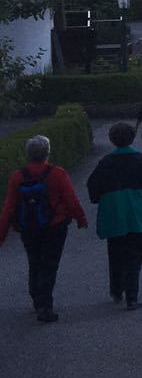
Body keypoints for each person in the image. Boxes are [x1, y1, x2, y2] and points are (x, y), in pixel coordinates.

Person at [0, 135, 89, 322]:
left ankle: (36, 297)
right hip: (55, 225)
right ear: (47, 152)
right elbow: (71, 199)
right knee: (49, 264)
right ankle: (45, 306)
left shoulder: (18, 176)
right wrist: (80, 218)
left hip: (28, 227)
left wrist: (2, 233)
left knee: (34, 261)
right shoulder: (57, 173)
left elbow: (9, 206)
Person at [86, 122, 142, 311]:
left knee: (115, 251)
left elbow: (93, 187)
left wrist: (100, 198)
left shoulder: (106, 162)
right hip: (137, 210)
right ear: (132, 138)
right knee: (135, 253)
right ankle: (132, 296)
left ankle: (116, 289)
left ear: (112, 140)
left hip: (113, 211)